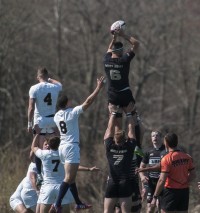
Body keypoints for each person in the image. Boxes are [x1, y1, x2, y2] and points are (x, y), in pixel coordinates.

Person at [50, 76, 105, 212]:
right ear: (67, 103)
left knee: (72, 178)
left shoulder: (57, 116)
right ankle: (57, 203)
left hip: (62, 147)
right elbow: (88, 101)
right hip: (71, 147)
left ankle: (79, 202)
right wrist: (98, 88)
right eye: (69, 101)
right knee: (68, 177)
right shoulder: (72, 113)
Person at [27, 67, 62, 185]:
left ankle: (40, 174)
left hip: (40, 121)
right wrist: (50, 79)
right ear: (47, 76)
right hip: (52, 119)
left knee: (38, 148)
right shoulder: (54, 87)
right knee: (55, 145)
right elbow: (60, 84)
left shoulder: (34, 88)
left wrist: (29, 123)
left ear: (37, 77)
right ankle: (55, 172)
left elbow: (31, 108)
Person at [104, 103, 137, 213]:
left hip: (112, 182)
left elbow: (109, 129)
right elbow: (131, 129)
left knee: (107, 211)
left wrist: (113, 113)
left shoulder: (109, 146)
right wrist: (128, 113)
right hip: (125, 182)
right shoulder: (129, 147)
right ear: (125, 139)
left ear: (114, 139)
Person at [151, 133, 196, 213]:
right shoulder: (187, 157)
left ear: (166, 143)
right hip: (184, 192)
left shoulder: (167, 159)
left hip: (170, 192)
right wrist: (184, 182)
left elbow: (162, 180)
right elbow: (193, 175)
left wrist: (155, 196)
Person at [139, 131, 165, 213]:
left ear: (161, 138)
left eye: (157, 135)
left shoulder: (166, 151)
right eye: (153, 136)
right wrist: (142, 177)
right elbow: (141, 167)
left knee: (159, 206)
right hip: (151, 183)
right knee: (150, 208)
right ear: (151, 138)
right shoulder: (148, 152)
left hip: (162, 183)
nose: (155, 137)